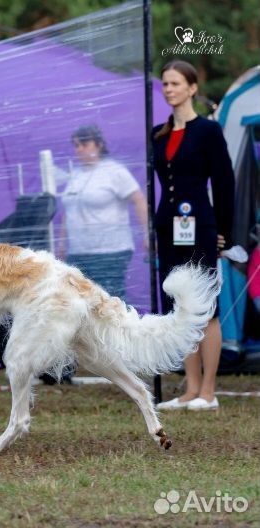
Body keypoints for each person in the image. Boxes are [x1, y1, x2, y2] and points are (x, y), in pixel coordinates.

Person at [153, 60, 235, 412]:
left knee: (207, 307)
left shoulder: (208, 131)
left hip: (199, 225)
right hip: (168, 226)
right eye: (165, 84)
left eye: (174, 83)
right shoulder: (158, 132)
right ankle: (190, 388)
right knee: (180, 305)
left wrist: (224, 232)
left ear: (192, 88)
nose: (168, 89)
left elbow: (224, 182)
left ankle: (209, 391)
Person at [59, 125, 148, 299]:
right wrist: (62, 244)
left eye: (84, 144)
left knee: (110, 301)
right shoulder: (75, 175)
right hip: (78, 252)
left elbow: (139, 200)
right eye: (76, 145)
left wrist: (147, 234)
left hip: (110, 252)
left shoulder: (114, 171)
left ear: (99, 144)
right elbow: (68, 211)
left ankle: (122, 328)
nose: (79, 149)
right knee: (82, 303)